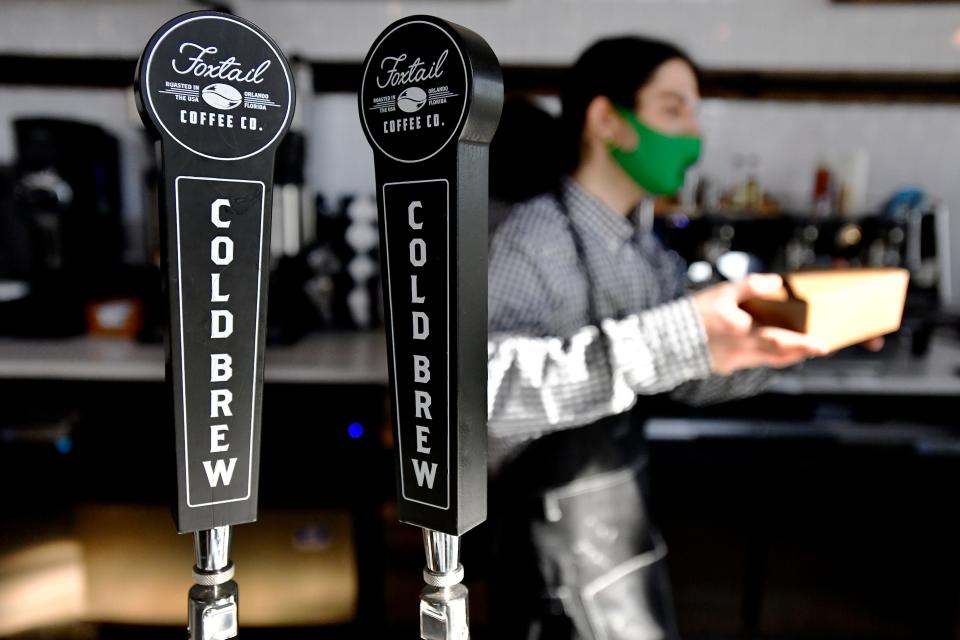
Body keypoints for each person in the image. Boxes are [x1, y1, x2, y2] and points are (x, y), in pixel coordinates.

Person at [484, 37, 837, 640]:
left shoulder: (643, 251)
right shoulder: (532, 238)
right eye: (673, 110)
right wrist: (680, 333)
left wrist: (788, 343)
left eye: (695, 113)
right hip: (547, 552)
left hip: (621, 538)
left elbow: (693, 375)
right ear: (605, 121)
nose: (693, 133)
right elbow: (487, 392)